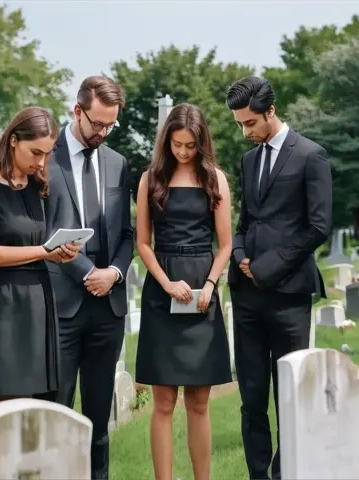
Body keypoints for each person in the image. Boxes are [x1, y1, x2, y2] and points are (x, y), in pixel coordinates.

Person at [0, 76, 134, 480]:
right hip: (58, 306)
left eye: (110, 126)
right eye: (96, 123)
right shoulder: (44, 155)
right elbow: (30, 227)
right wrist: (86, 273)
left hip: (108, 306)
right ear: (77, 111)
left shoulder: (117, 163)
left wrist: (112, 273)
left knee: (99, 421)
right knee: (54, 415)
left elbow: (126, 233)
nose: (102, 132)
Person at [225, 76, 332, 480]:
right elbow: (246, 219)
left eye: (250, 123)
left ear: (271, 111)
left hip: (289, 295)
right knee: (251, 397)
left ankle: (288, 472)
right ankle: (258, 475)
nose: (245, 131)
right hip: (246, 295)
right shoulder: (248, 160)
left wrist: (268, 268)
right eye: (239, 124)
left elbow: (319, 227)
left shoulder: (311, 155)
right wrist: (239, 254)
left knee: (288, 395)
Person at [134, 103, 233, 480]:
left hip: (202, 290)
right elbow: (144, 242)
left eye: (190, 145)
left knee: (199, 401)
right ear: (167, 141)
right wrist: (165, 282)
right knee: (162, 401)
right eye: (177, 144)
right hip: (163, 287)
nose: (183, 152)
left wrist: (209, 284)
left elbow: (224, 245)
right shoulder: (150, 179)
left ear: (201, 142)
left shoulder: (215, 180)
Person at [0, 107, 81, 404]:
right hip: (3, 306)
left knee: (45, 411)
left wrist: (63, 252)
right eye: (34, 152)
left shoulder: (39, 187)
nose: (40, 162)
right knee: (10, 412)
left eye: (46, 154)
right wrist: (44, 253)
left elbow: (47, 239)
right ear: (13, 141)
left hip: (41, 304)